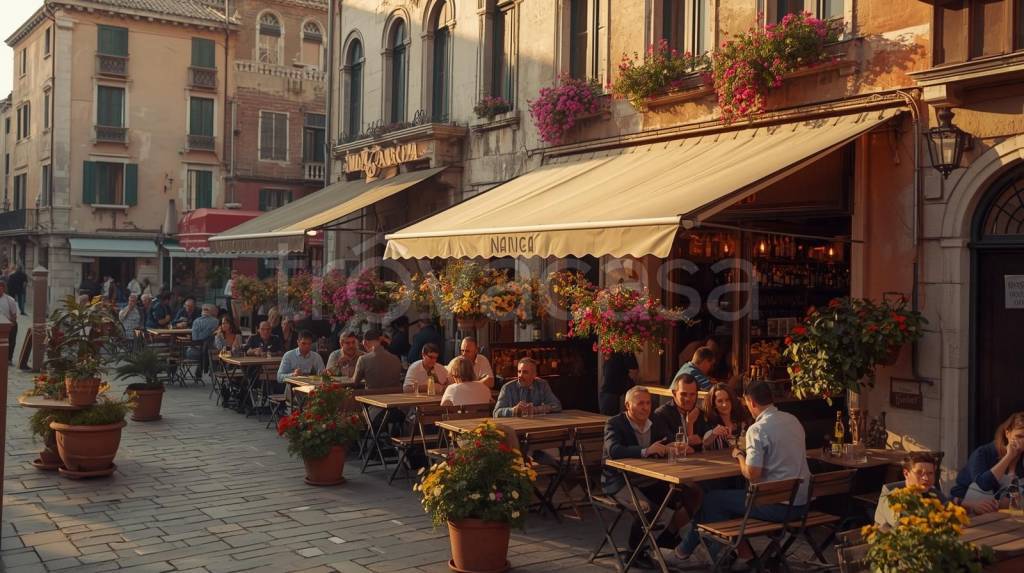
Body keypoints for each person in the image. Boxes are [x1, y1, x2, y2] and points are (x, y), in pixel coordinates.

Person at [680, 379, 811, 562]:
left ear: (751, 402)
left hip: (777, 507)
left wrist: (739, 455)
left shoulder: (758, 429)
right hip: (801, 504)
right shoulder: (793, 421)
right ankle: (714, 553)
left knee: (713, 500)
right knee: (726, 500)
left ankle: (704, 554)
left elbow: (752, 473)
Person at [602, 386, 702, 568]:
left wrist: (675, 446)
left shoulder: (654, 420)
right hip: (620, 480)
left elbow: (669, 439)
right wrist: (646, 451)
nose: (645, 407)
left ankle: (665, 538)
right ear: (627, 405)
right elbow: (613, 450)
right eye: (640, 403)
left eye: (648, 403)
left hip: (649, 478)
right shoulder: (615, 423)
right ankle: (635, 553)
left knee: (688, 495)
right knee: (648, 510)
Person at [950, 411, 1024, 515]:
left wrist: (999, 504)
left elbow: (1016, 497)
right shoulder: (983, 453)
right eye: (1019, 436)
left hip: (1000, 514)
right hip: (966, 510)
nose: (1022, 442)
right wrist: (1008, 457)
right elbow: (984, 484)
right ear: (1007, 433)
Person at [875, 452, 949, 528]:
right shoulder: (892, 496)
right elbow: (900, 525)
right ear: (906, 474)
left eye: (930, 473)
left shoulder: (935, 494)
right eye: (919, 473)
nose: (926, 478)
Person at [651, 374, 710, 454]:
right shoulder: (661, 414)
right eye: (683, 394)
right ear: (674, 393)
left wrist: (690, 424)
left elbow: (704, 443)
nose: (688, 399)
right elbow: (668, 443)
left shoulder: (700, 413)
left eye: (692, 394)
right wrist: (688, 440)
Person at [493, 358, 562, 417]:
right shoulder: (507, 388)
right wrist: (513, 410)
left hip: (537, 425)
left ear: (534, 374)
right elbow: (496, 413)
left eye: (525, 372)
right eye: (519, 372)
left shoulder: (542, 385)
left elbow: (557, 406)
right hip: (515, 427)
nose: (520, 375)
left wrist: (535, 410)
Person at [702, 383, 751, 451]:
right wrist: (713, 434)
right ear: (714, 404)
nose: (724, 404)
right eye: (720, 401)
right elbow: (704, 444)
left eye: (727, 400)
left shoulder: (742, 422)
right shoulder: (709, 424)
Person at [600, 351, 639, 415]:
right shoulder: (609, 350)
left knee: (611, 418)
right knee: (606, 418)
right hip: (606, 390)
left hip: (615, 392)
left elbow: (634, 371)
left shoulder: (626, 351)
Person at [0, 280, 19, 361]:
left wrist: (12, 323)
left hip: (8, 325)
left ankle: (8, 359)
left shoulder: (9, 300)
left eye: (1, 288)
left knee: (10, 343)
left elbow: (14, 314)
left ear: (3, 289)